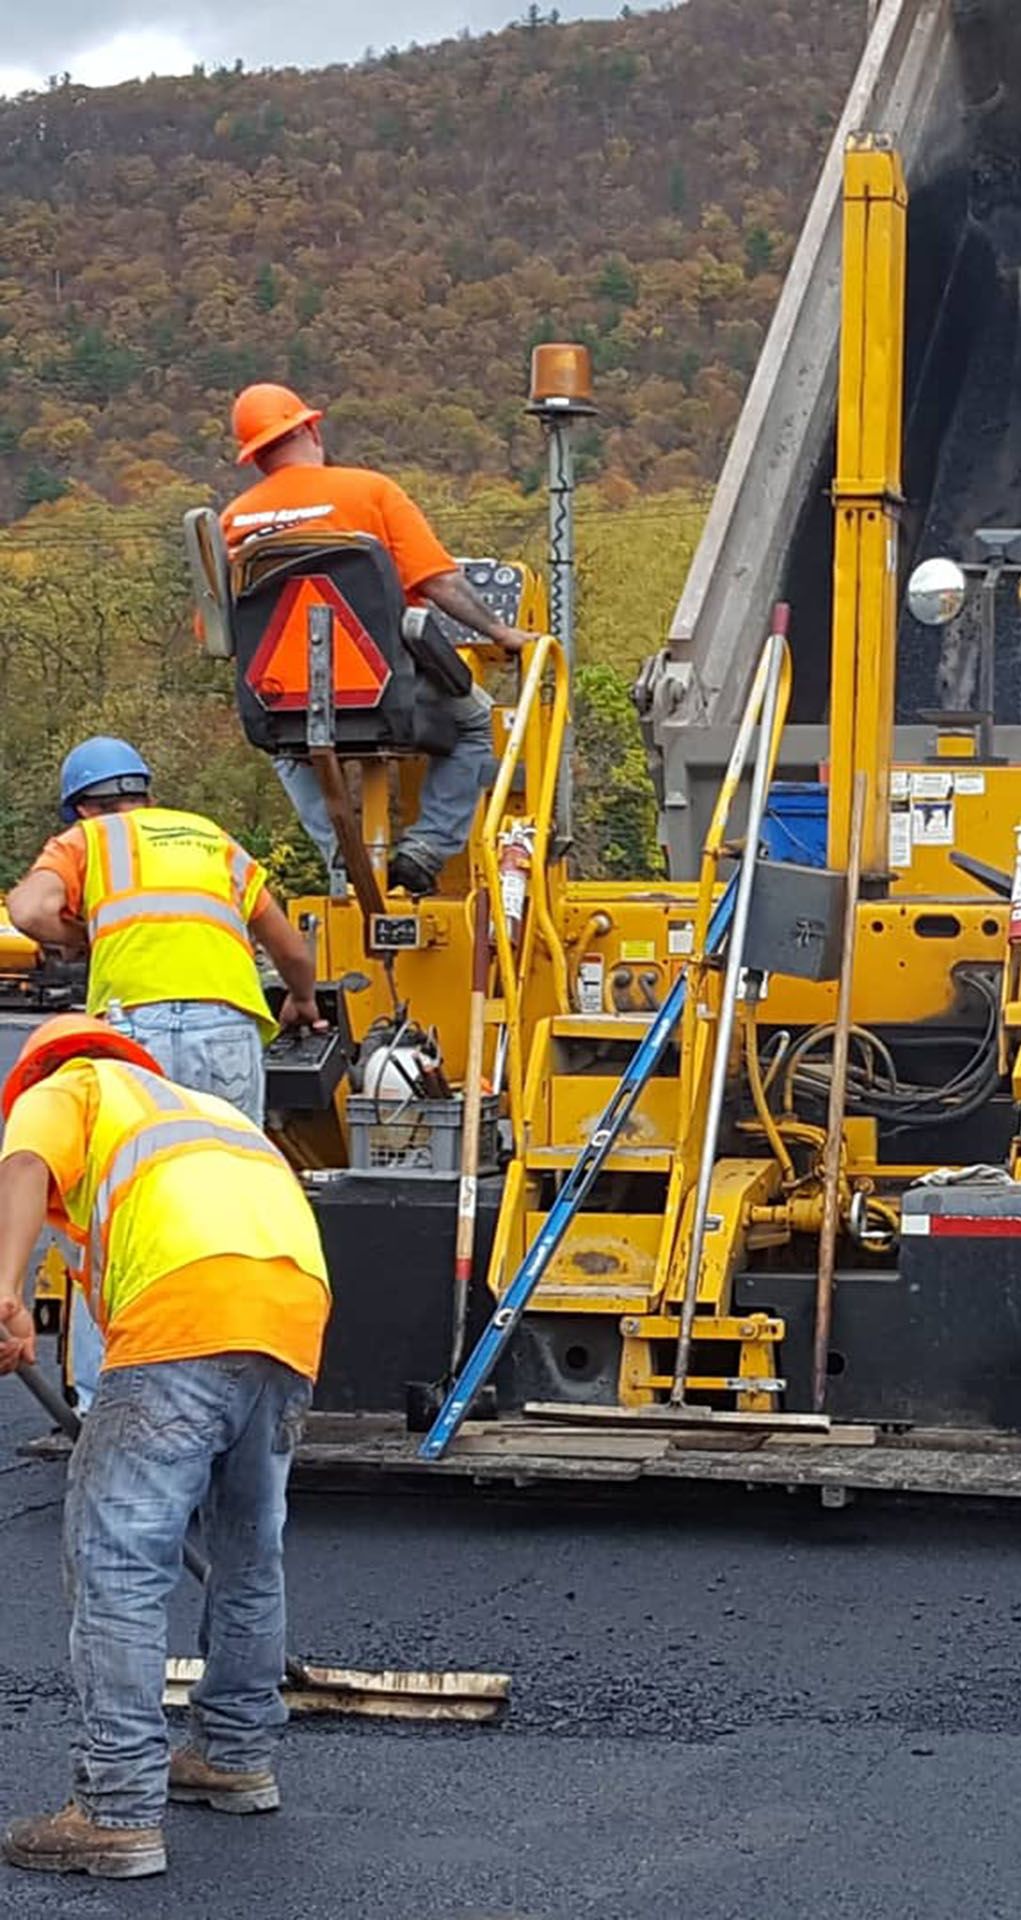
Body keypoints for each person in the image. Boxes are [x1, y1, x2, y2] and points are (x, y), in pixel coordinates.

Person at [0, 1015, 331, 1881]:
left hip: (188, 1307)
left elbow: (26, 1168)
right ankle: (233, 1754)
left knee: (119, 1562)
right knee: (249, 1551)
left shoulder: (67, 1085)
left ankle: (114, 1809)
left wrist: (2, 1293)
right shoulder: (206, 1114)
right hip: (291, 1311)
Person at [6, 738, 323, 1406]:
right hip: (226, 1034)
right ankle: (237, 1389)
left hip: (131, 1036)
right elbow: (290, 946)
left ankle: (107, 1403)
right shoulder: (212, 840)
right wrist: (300, 999)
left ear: (82, 806)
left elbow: (29, 912)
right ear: (145, 792)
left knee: (114, 1214)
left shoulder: (86, 842)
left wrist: (84, 936)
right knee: (232, 1202)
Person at [219, 382, 544, 896]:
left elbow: (218, 629)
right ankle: (425, 850)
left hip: (284, 705)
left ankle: (342, 858)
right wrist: (502, 632)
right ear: (309, 429)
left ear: (254, 457)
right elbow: (438, 582)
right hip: (385, 693)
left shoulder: (232, 521)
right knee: (477, 726)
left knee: (284, 748)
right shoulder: (370, 492)